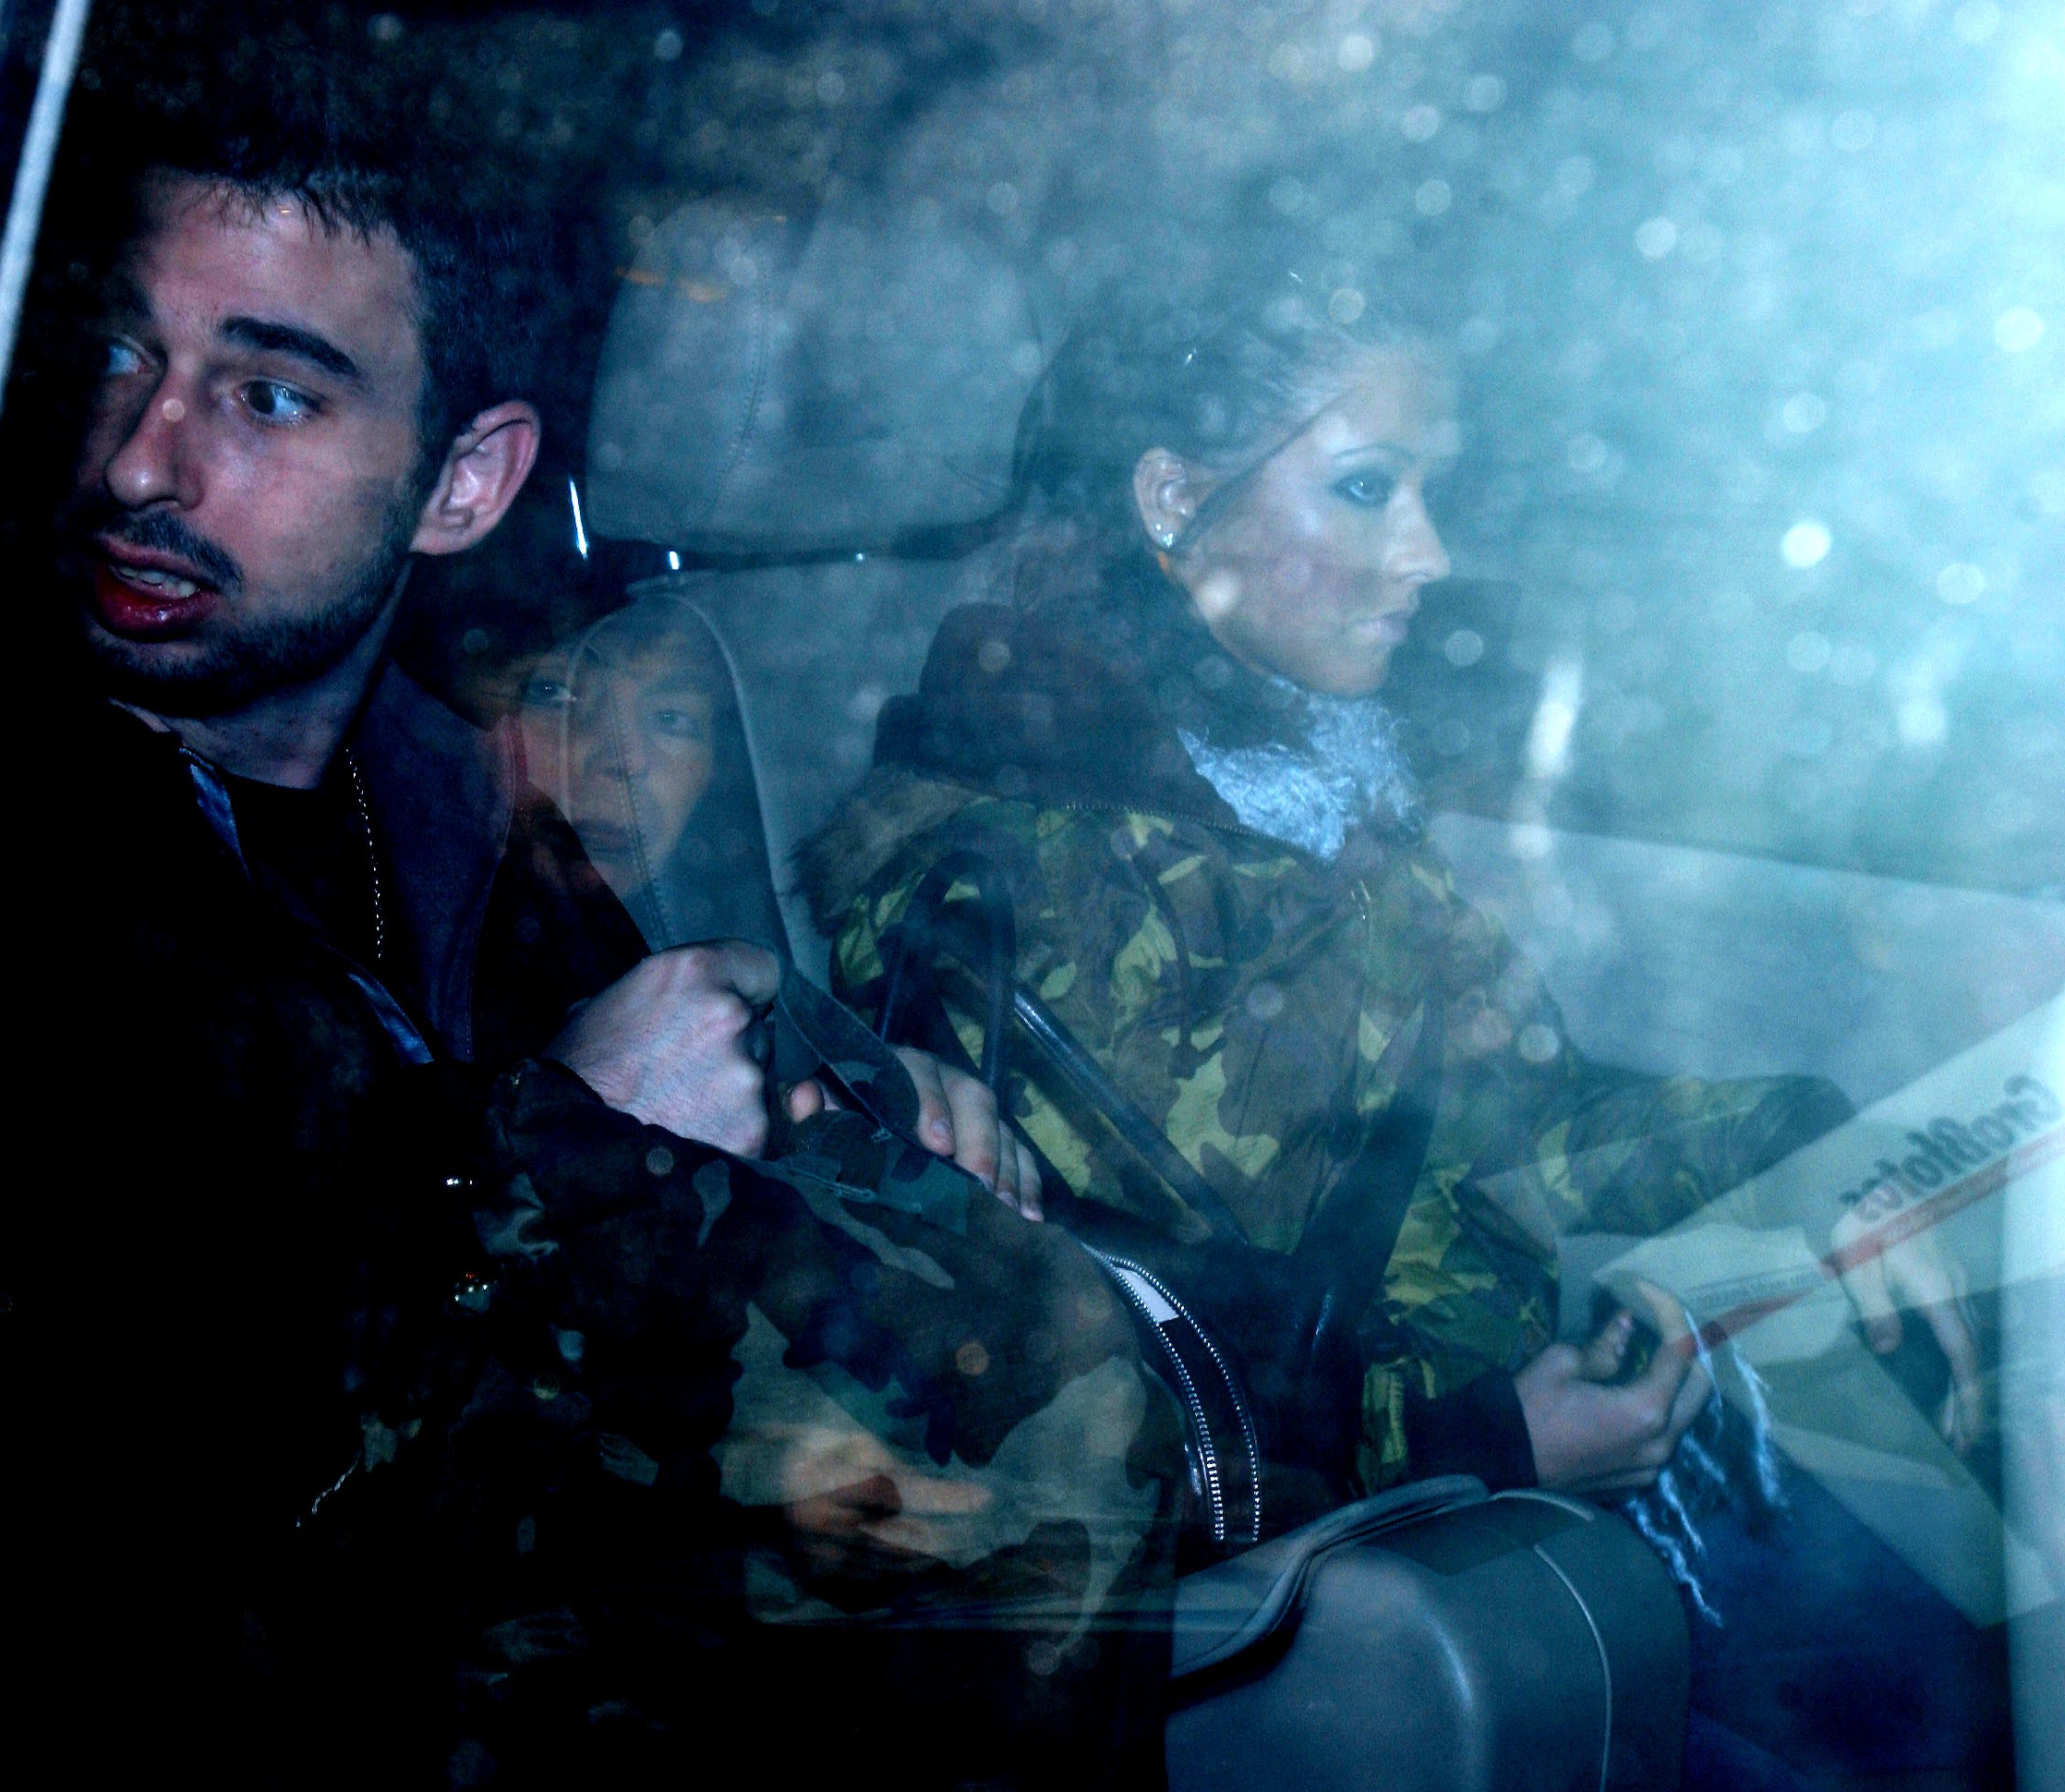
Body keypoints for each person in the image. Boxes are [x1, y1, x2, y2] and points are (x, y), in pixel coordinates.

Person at [0, 97, 1176, 1790]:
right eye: (119, 355)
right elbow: (96, 1512)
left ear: (462, 486)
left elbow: (632, 1171)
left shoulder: (449, 806)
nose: (142, 463)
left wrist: (849, 1110)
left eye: (268, 395)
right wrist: (549, 1145)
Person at [803, 281, 2009, 1785]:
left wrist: (1810, 1156)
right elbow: (1120, 1392)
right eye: (1369, 489)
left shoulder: (1308, 799)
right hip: (1339, 1598)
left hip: (1490, 1491)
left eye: (1431, 492)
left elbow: (1513, 1131)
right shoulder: (1032, 891)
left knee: (1960, 1631)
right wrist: (1496, 1440)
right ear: (1171, 502)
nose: (1428, 555)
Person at [512, 597, 791, 952]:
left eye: (670, 719)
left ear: (716, 770)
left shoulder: (758, 947)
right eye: (555, 695)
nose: (624, 760)